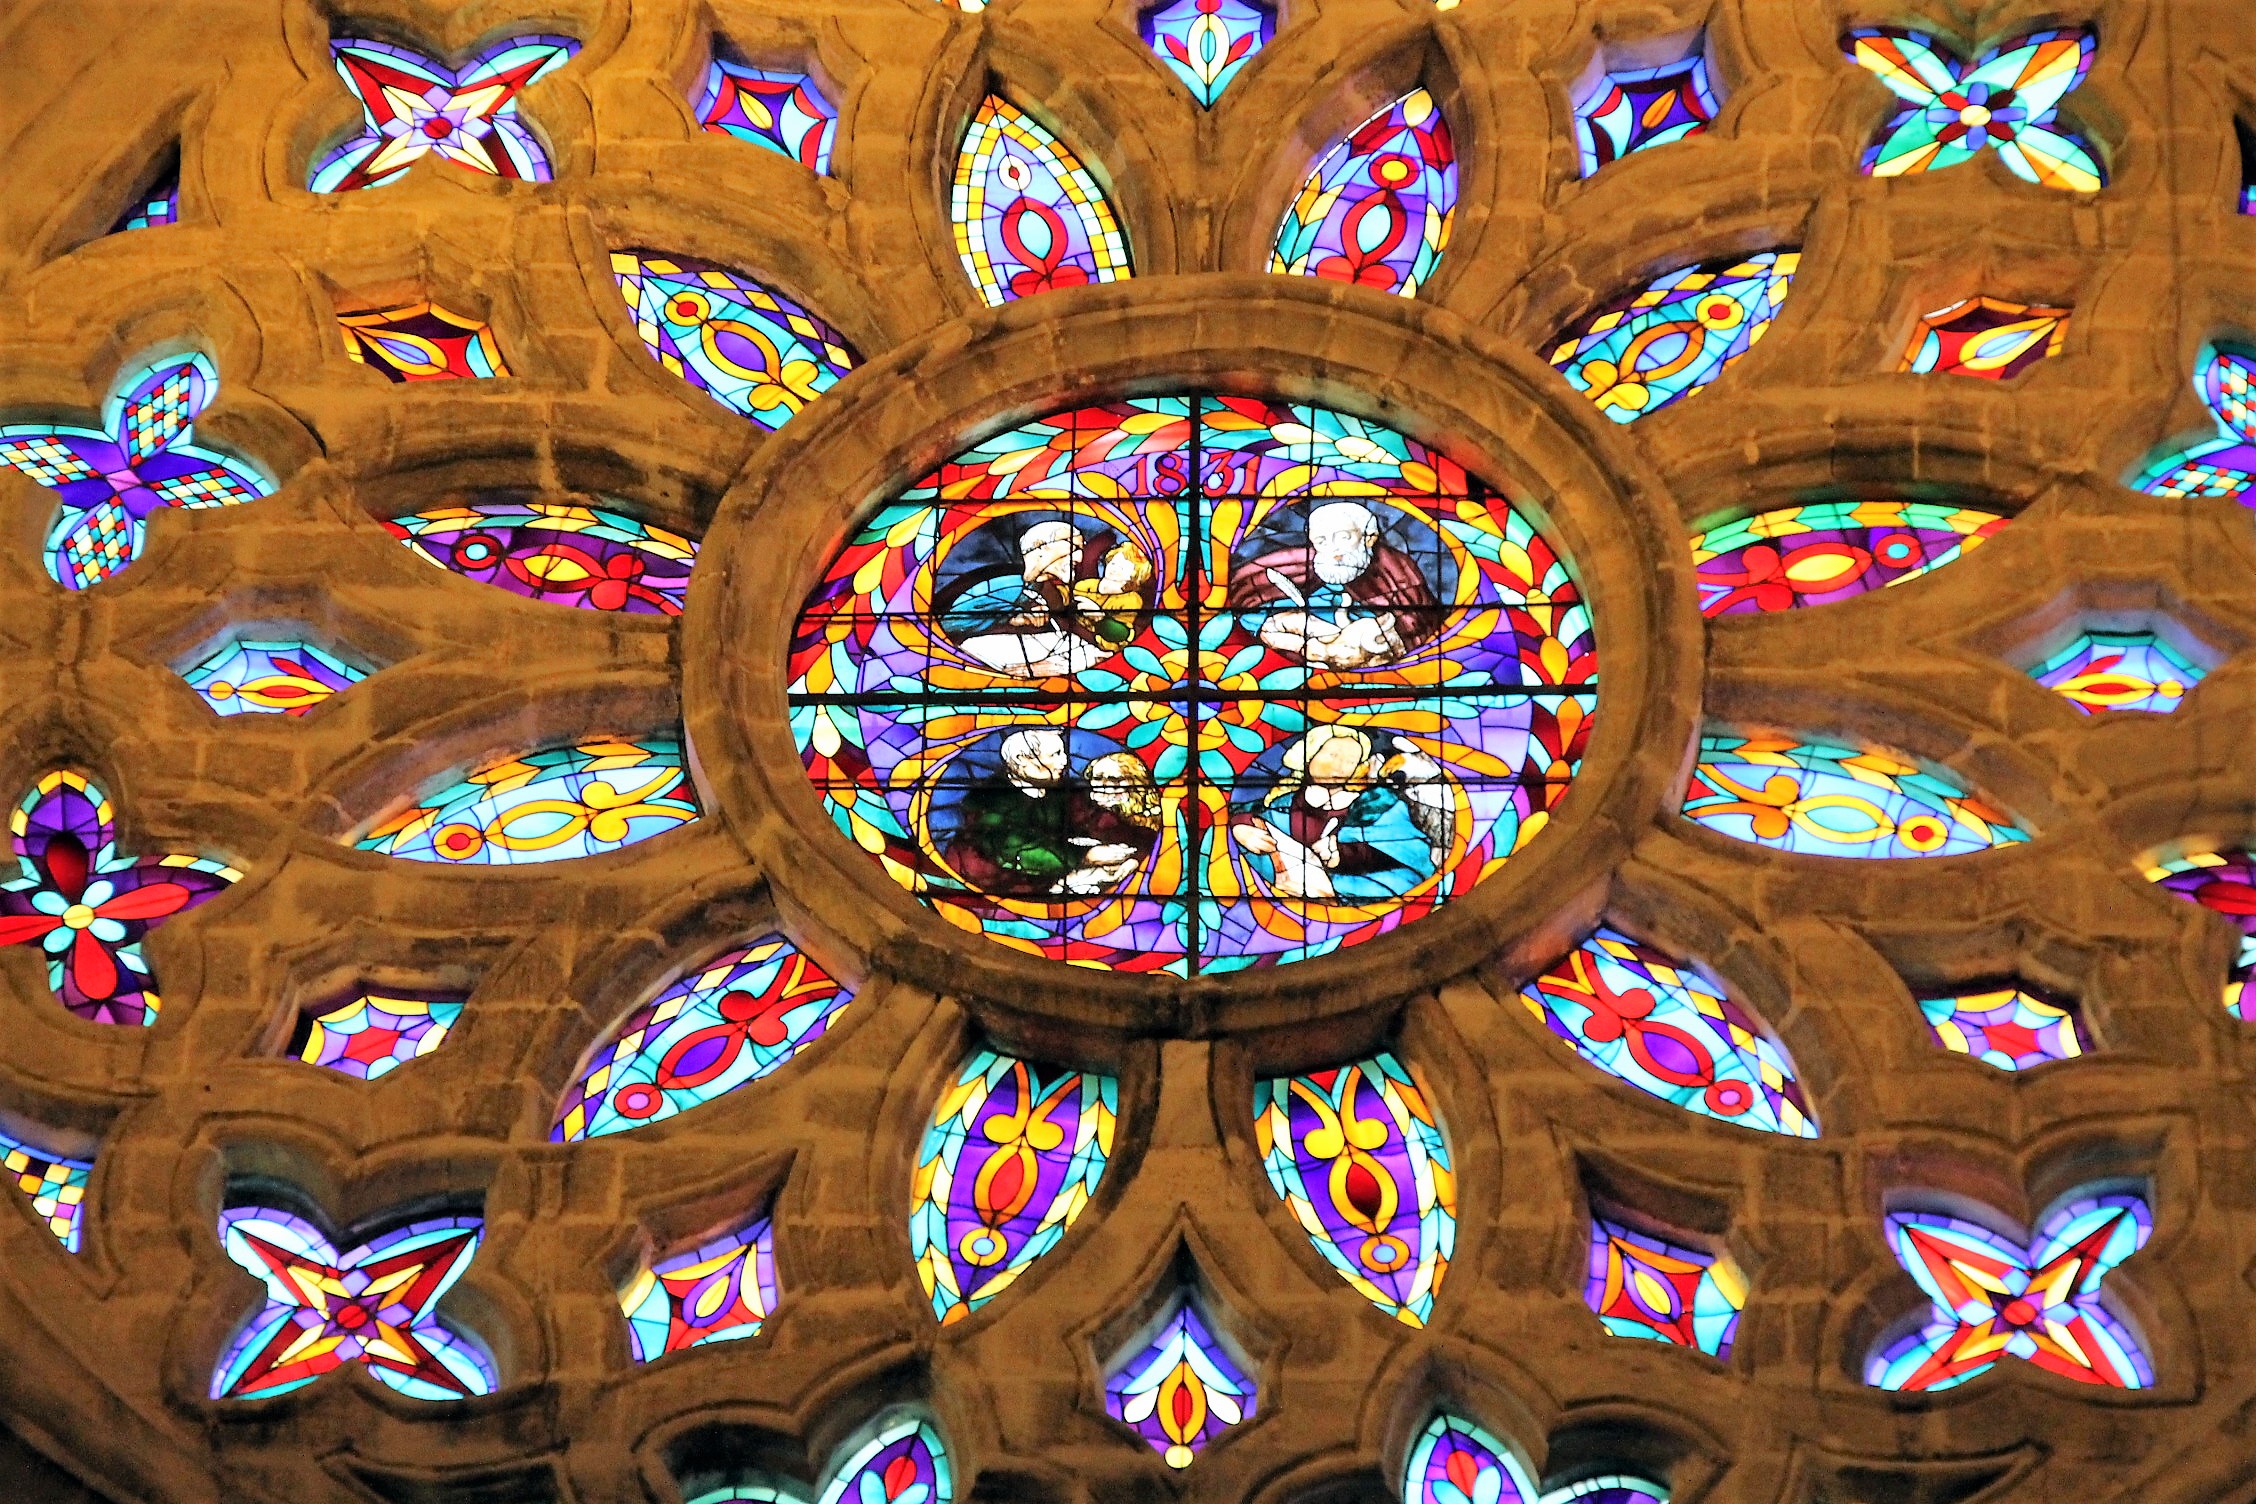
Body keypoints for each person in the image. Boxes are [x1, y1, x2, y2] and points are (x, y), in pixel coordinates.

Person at [1230, 726, 1444, 902]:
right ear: (1308, 757)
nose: (1340, 766)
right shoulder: (1282, 804)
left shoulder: (1378, 803)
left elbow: (1414, 854)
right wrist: (1241, 827)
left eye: (1351, 761)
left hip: (1360, 892)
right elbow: (1247, 816)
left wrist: (1343, 856)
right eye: (1331, 755)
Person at [943, 730, 1159, 897]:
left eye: (1063, 752)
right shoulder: (988, 800)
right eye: (1055, 754)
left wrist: (1136, 852)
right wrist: (1084, 857)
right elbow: (1011, 846)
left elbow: (1102, 822)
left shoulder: (1065, 792)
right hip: (994, 885)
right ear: (1022, 760)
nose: (1064, 761)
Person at [1225, 501, 1439, 669]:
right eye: (1321, 541)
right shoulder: (1294, 569)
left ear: (1369, 539)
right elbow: (1248, 613)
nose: (1334, 550)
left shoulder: (1394, 572)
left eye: (1344, 537)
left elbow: (1418, 623)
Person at [942, 521, 1151, 677]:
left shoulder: (1130, 600)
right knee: (974, 649)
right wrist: (1014, 617)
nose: (1079, 558)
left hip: (1080, 650)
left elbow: (1122, 635)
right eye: (1074, 548)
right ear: (1042, 550)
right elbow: (952, 626)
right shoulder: (1007, 585)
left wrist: (1099, 619)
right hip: (977, 658)